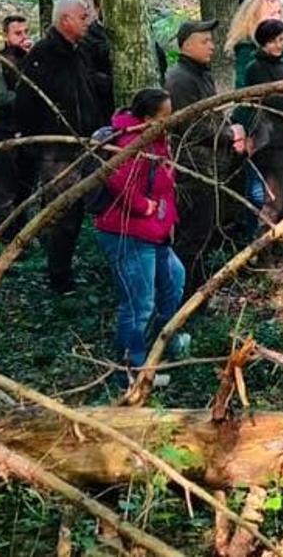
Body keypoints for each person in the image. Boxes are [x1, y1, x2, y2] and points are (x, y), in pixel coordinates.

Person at [94, 88, 188, 382]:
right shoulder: (131, 142)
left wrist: (168, 219)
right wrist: (144, 207)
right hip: (129, 234)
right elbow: (118, 180)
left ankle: (164, 342)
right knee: (139, 304)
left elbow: (163, 186)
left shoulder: (158, 140)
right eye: (165, 116)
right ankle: (131, 371)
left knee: (174, 280)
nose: (170, 120)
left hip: (155, 232)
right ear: (147, 119)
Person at [16, 0, 105, 294]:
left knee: (78, 212)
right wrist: (40, 145)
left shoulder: (80, 52)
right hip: (57, 151)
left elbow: (88, 87)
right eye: (82, 17)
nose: (87, 21)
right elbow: (25, 103)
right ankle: (59, 278)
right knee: (63, 213)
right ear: (65, 19)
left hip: (85, 144)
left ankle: (64, 268)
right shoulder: (42, 54)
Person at [164, 19, 248, 288]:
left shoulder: (201, 74)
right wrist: (230, 135)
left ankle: (198, 291)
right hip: (193, 169)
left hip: (210, 164)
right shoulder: (179, 79)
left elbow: (213, 117)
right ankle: (186, 296)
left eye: (211, 40)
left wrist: (231, 131)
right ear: (187, 45)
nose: (212, 46)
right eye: (205, 41)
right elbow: (193, 127)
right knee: (192, 238)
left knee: (206, 234)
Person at [239, 19, 283, 242]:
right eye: (273, 41)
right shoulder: (255, 68)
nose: (279, 45)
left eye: (281, 39)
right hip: (271, 141)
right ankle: (262, 247)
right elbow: (271, 100)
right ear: (263, 43)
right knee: (273, 201)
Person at [0, 15, 34, 231]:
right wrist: (29, 96)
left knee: (26, 186)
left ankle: (23, 232)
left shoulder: (32, 59)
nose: (23, 37)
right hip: (3, 133)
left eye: (26, 32)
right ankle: (5, 237)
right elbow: (1, 97)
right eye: (17, 33)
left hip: (29, 131)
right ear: (6, 35)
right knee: (6, 190)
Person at [227, 0, 283, 89]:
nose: (277, 18)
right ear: (255, 17)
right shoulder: (246, 49)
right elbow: (243, 88)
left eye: (279, 12)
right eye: (272, 14)